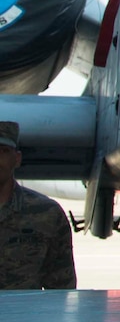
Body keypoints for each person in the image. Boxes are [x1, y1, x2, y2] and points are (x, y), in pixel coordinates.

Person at [0, 120, 77, 290]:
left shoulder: (46, 214)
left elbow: (61, 288)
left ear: (17, 158)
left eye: (3, 151)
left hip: (24, 315)